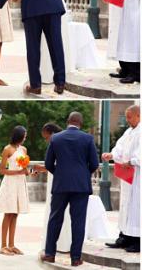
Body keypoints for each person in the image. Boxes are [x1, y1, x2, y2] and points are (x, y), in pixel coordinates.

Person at [42, 112, 99, 267]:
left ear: (68, 121)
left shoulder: (55, 138)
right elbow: (94, 164)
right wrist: (83, 175)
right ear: (80, 123)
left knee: (55, 219)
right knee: (78, 222)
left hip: (61, 185)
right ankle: (75, 258)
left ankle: (49, 254)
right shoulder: (87, 139)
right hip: (81, 186)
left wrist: (60, 173)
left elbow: (48, 164)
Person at [102, 105, 141, 253]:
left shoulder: (139, 132)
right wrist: (111, 155)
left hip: (136, 175)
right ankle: (124, 236)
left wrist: (131, 161)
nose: (127, 119)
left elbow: (139, 154)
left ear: (138, 115)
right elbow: (120, 148)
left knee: (135, 206)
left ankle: (136, 240)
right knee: (125, 205)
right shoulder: (129, 131)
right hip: (126, 175)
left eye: (129, 116)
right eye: (126, 116)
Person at [0, 126, 31, 256]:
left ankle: (11, 245)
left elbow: (25, 170)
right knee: (8, 213)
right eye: (24, 136)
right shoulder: (7, 149)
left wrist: (32, 172)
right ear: (19, 135)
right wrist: (18, 171)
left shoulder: (23, 149)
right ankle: (3, 246)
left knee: (15, 213)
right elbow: (1, 170)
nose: (25, 138)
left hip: (20, 183)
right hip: (10, 183)